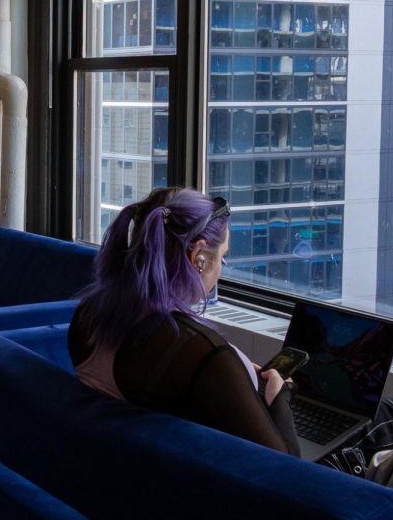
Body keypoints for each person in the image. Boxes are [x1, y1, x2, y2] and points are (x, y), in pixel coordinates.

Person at [68, 187, 300, 455]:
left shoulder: (88, 314)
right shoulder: (200, 353)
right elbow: (286, 473)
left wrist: (232, 374)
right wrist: (281, 398)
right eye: (222, 257)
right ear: (198, 256)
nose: (221, 268)